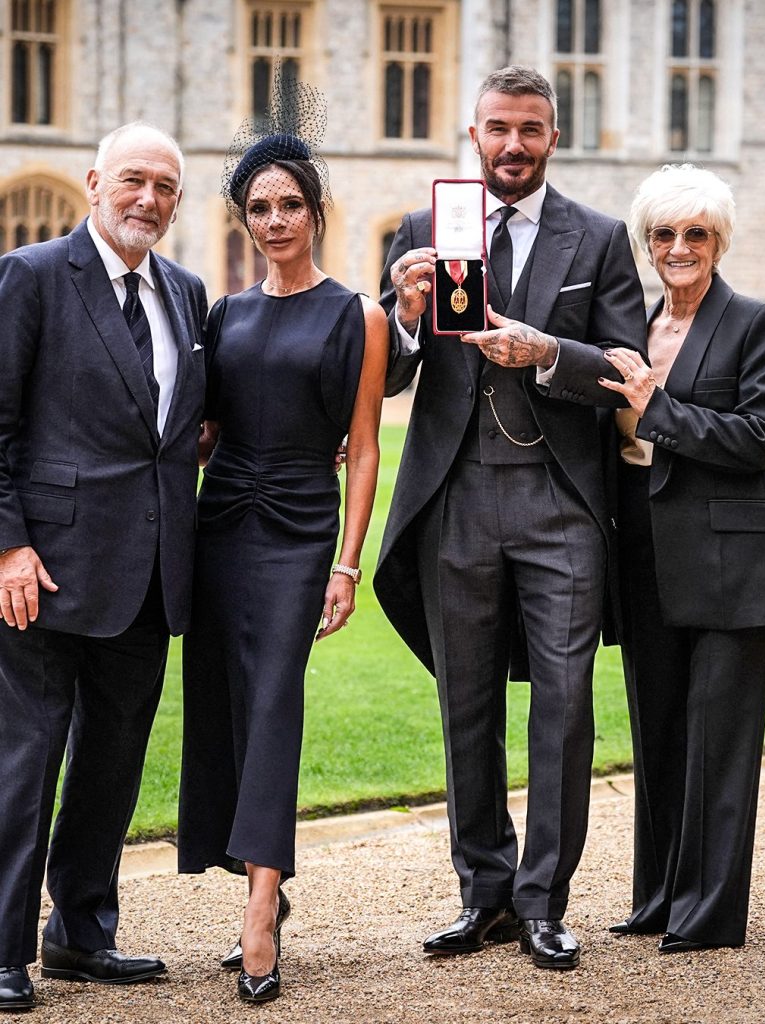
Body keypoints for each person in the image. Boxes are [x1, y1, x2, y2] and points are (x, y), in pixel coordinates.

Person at [373, 65, 646, 971]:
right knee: (466, 707)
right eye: (497, 128)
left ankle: (542, 902)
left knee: (564, 711)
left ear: (552, 137)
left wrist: (546, 352)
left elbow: (623, 366)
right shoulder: (423, 231)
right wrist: (404, 317)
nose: (513, 145)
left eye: (530, 130)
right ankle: (481, 896)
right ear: (473, 134)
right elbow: (393, 378)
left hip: (559, 504)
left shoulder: (599, 238)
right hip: (455, 497)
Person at [177, 79, 387, 1004]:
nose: (273, 220)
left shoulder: (359, 316)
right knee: (225, 704)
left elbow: (367, 450)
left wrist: (348, 561)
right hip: (221, 524)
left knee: (275, 706)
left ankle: (260, 913)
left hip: (301, 533)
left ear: (315, 210)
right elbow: (205, 433)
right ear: (244, 217)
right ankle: (262, 879)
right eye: (258, 207)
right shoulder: (223, 315)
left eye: (288, 204)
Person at [0, 122, 207, 1010]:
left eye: (165, 187)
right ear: (94, 182)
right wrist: (8, 543)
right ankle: (2, 948)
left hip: (149, 572)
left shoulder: (187, 292)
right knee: (25, 761)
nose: (147, 200)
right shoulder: (36, 276)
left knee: (111, 765)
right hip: (41, 570)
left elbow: (182, 428)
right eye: (133, 181)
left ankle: (82, 934)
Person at [600, 164, 765, 952]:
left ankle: (708, 913)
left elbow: (757, 438)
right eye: (663, 235)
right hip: (643, 548)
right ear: (646, 244)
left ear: (717, 243)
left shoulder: (753, 321)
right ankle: (658, 899)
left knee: (716, 740)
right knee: (658, 732)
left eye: (694, 234)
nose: (677, 248)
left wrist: (658, 409)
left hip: (728, 559)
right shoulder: (635, 326)